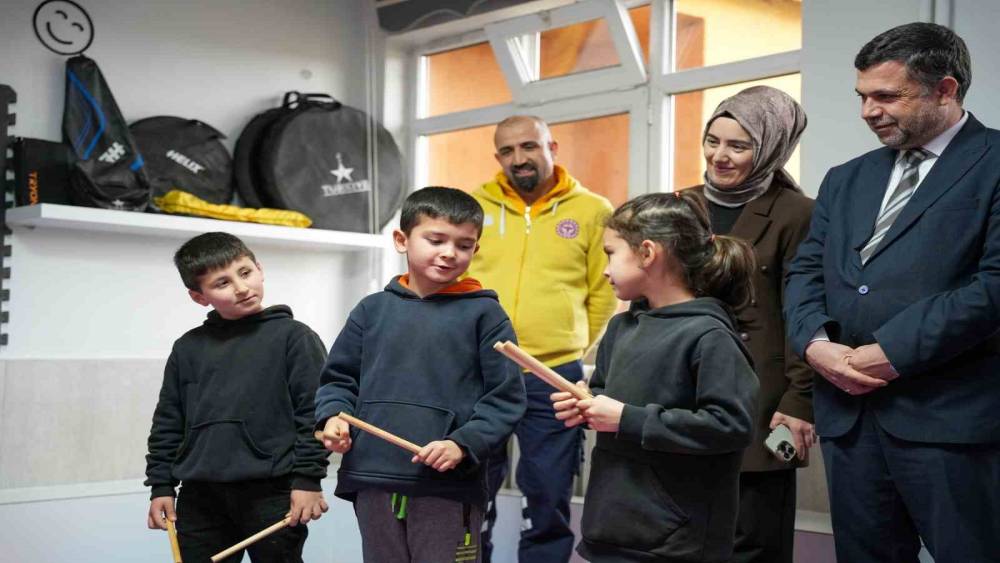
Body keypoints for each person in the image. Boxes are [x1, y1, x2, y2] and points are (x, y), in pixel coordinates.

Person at [785, 22, 1000, 563]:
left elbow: (994, 285)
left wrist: (893, 351)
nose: (868, 111)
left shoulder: (994, 163)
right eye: (862, 96)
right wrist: (815, 343)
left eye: (886, 96)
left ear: (945, 89)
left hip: (953, 420)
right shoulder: (845, 178)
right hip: (850, 420)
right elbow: (805, 273)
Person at [315, 186, 527, 563]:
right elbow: (339, 380)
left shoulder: (486, 316)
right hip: (373, 476)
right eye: (436, 240)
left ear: (475, 250)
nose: (450, 252)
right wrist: (333, 417)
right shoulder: (371, 310)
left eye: (464, 245)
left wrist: (462, 444)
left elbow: (505, 398)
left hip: (448, 484)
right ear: (402, 240)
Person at [552, 191, 759, 562]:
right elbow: (607, 399)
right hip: (612, 527)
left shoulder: (709, 335)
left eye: (611, 253)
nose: (604, 270)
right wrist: (586, 404)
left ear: (647, 253)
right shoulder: (621, 328)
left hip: (677, 543)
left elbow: (731, 425)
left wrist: (627, 418)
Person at [470, 115, 617, 563]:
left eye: (529, 146)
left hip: (554, 375)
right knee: (472, 490)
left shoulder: (593, 210)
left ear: (552, 147)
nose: (519, 158)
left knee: (548, 494)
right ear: (498, 157)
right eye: (507, 151)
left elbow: (603, 292)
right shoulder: (473, 205)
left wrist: (570, 344)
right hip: (480, 371)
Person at [144, 232, 330, 562]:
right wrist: (161, 486)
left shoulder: (295, 338)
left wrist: (308, 480)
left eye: (245, 272)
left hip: (272, 493)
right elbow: (168, 421)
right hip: (200, 496)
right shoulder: (187, 348)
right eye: (222, 283)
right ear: (199, 297)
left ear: (260, 269)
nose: (242, 287)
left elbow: (315, 416)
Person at [687, 85, 815, 563]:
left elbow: (806, 313)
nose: (719, 156)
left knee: (755, 541)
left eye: (738, 146)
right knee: (686, 538)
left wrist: (800, 401)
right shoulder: (678, 205)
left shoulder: (798, 214)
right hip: (683, 392)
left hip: (762, 402)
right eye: (712, 140)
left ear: (772, 148)